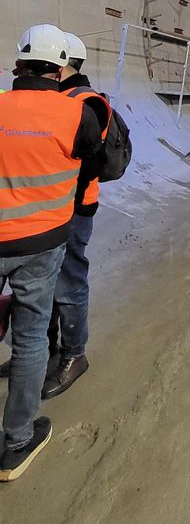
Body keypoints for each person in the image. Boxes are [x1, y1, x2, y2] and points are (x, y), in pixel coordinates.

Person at [0, 25, 102, 480]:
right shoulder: (75, 114)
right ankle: (18, 441)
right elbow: (97, 164)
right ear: (60, 67)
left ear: (18, 65)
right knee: (30, 338)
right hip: (43, 242)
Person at [42, 33, 111, 400]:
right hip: (50, 208)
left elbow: (89, 161)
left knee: (68, 281)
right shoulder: (60, 99)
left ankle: (74, 354)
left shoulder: (87, 102)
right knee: (45, 281)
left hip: (74, 208)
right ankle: (47, 349)